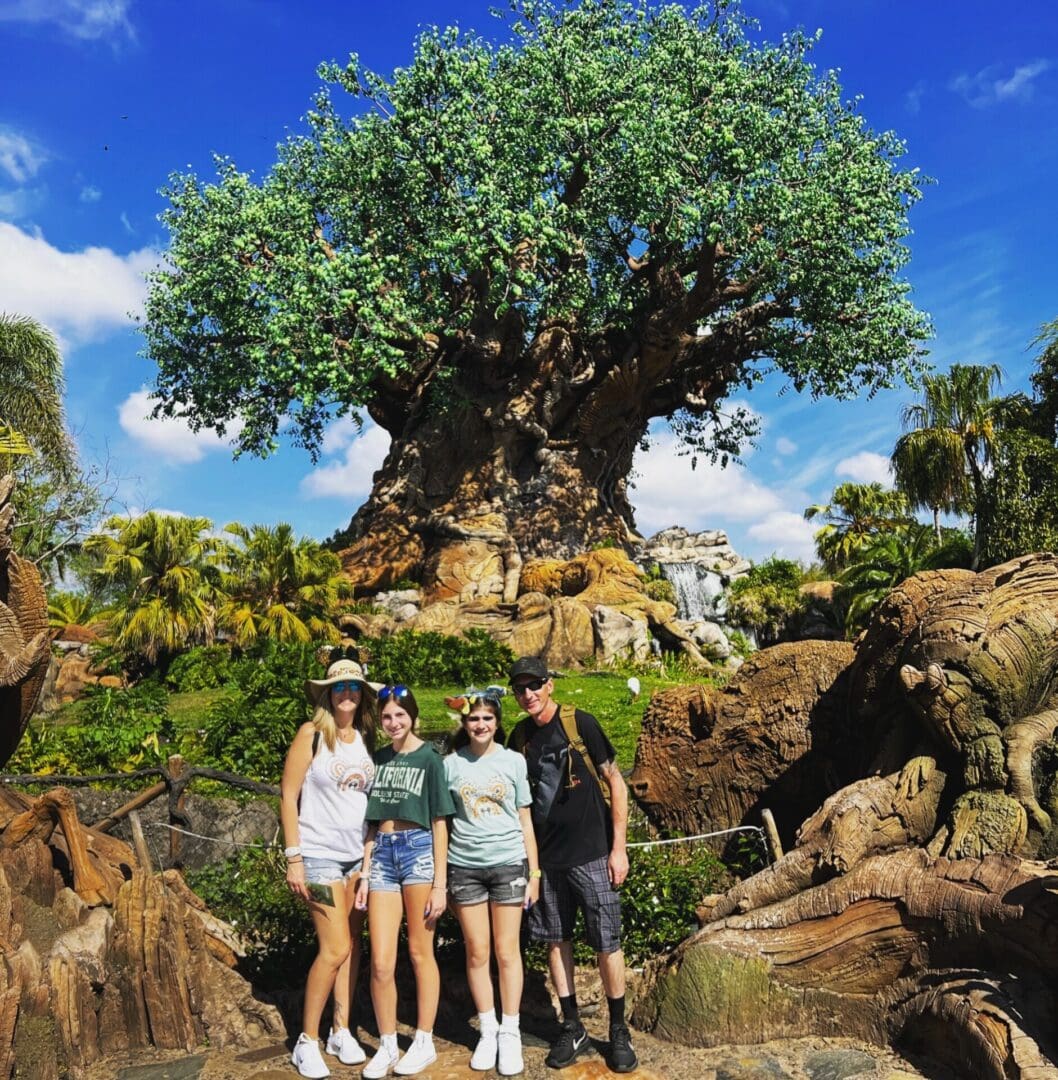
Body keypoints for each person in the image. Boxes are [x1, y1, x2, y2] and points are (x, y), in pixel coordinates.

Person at [506, 655, 638, 1073]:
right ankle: (573, 1025)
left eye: (534, 685)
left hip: (593, 853)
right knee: (556, 940)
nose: (527, 694)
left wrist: (620, 848)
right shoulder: (519, 737)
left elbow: (616, 780)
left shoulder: (581, 724)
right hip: (546, 861)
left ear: (550, 686)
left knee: (606, 942)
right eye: (519, 688)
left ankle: (618, 1030)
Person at [281, 652, 379, 1080]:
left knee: (352, 946)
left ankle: (341, 1028)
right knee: (334, 947)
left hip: (357, 856)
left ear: (361, 694)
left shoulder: (366, 738)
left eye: (353, 686)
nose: (346, 693)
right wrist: (294, 857)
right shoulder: (311, 734)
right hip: (318, 856)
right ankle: (307, 1040)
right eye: (338, 686)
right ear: (327, 693)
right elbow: (288, 796)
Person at [355, 684, 457, 1078]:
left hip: (418, 852)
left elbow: (439, 823)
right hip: (382, 853)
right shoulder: (378, 759)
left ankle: (424, 1039)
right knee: (381, 960)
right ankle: (386, 1044)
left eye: (400, 715)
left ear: (412, 715)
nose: (393, 722)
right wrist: (365, 872)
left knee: (419, 951)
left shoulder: (431, 759)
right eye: (386, 716)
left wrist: (439, 883)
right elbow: (370, 824)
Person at [443, 688, 540, 1076]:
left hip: (508, 864)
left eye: (487, 718)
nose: (480, 725)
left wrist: (534, 872)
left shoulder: (514, 761)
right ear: (464, 723)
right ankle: (487, 1028)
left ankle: (510, 1031)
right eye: (473, 718)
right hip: (464, 866)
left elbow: (525, 819)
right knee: (477, 951)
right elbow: (442, 822)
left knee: (506, 951)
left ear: (497, 722)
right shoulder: (450, 764)